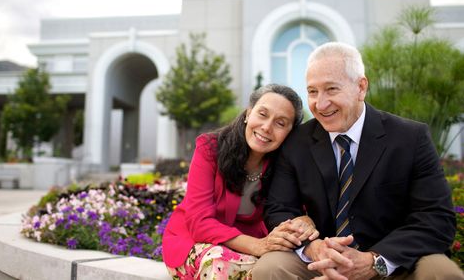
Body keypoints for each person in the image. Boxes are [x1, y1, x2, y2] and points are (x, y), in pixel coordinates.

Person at [252, 42, 463, 279]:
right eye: (312, 91)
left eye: (331, 89)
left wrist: (375, 261)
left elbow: (437, 219)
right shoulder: (296, 142)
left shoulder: (411, 138)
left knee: (442, 272)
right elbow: (279, 208)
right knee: (270, 268)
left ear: (361, 87)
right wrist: (313, 247)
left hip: (393, 263)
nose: (320, 104)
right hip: (320, 261)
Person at [162, 84, 320, 279]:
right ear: (248, 114)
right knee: (221, 264)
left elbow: (295, 209)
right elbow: (199, 222)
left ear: (290, 133)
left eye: (280, 123)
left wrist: (305, 220)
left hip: (247, 250)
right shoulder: (209, 148)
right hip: (194, 244)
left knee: (273, 269)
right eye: (262, 114)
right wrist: (258, 245)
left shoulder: (286, 164)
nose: (266, 127)